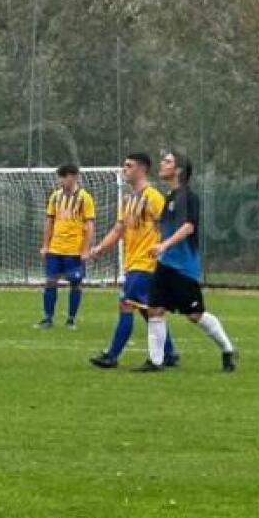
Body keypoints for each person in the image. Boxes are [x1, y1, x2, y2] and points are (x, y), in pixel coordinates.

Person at [136, 150, 237, 372]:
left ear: (178, 170)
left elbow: (188, 227)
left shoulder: (188, 197)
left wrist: (163, 245)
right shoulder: (169, 198)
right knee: (154, 310)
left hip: (184, 267)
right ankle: (155, 361)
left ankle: (228, 350)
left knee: (195, 315)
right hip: (165, 265)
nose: (162, 164)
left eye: (168, 161)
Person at [87, 153, 180, 368]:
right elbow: (120, 228)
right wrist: (101, 247)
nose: (124, 169)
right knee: (147, 309)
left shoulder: (154, 198)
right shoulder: (129, 200)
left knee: (126, 304)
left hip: (146, 263)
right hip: (133, 262)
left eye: (128, 166)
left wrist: (165, 255)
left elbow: (168, 228)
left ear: (141, 169)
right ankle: (169, 352)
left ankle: (112, 355)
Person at [35, 164, 95, 330]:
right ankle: (48, 318)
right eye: (59, 177)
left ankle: (71, 319)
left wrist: (85, 249)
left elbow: (89, 225)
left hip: (74, 250)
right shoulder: (55, 197)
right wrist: (45, 245)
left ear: (73, 177)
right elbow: (49, 221)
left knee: (75, 283)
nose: (60, 180)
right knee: (50, 281)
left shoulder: (85, 198)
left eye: (63, 176)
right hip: (55, 248)